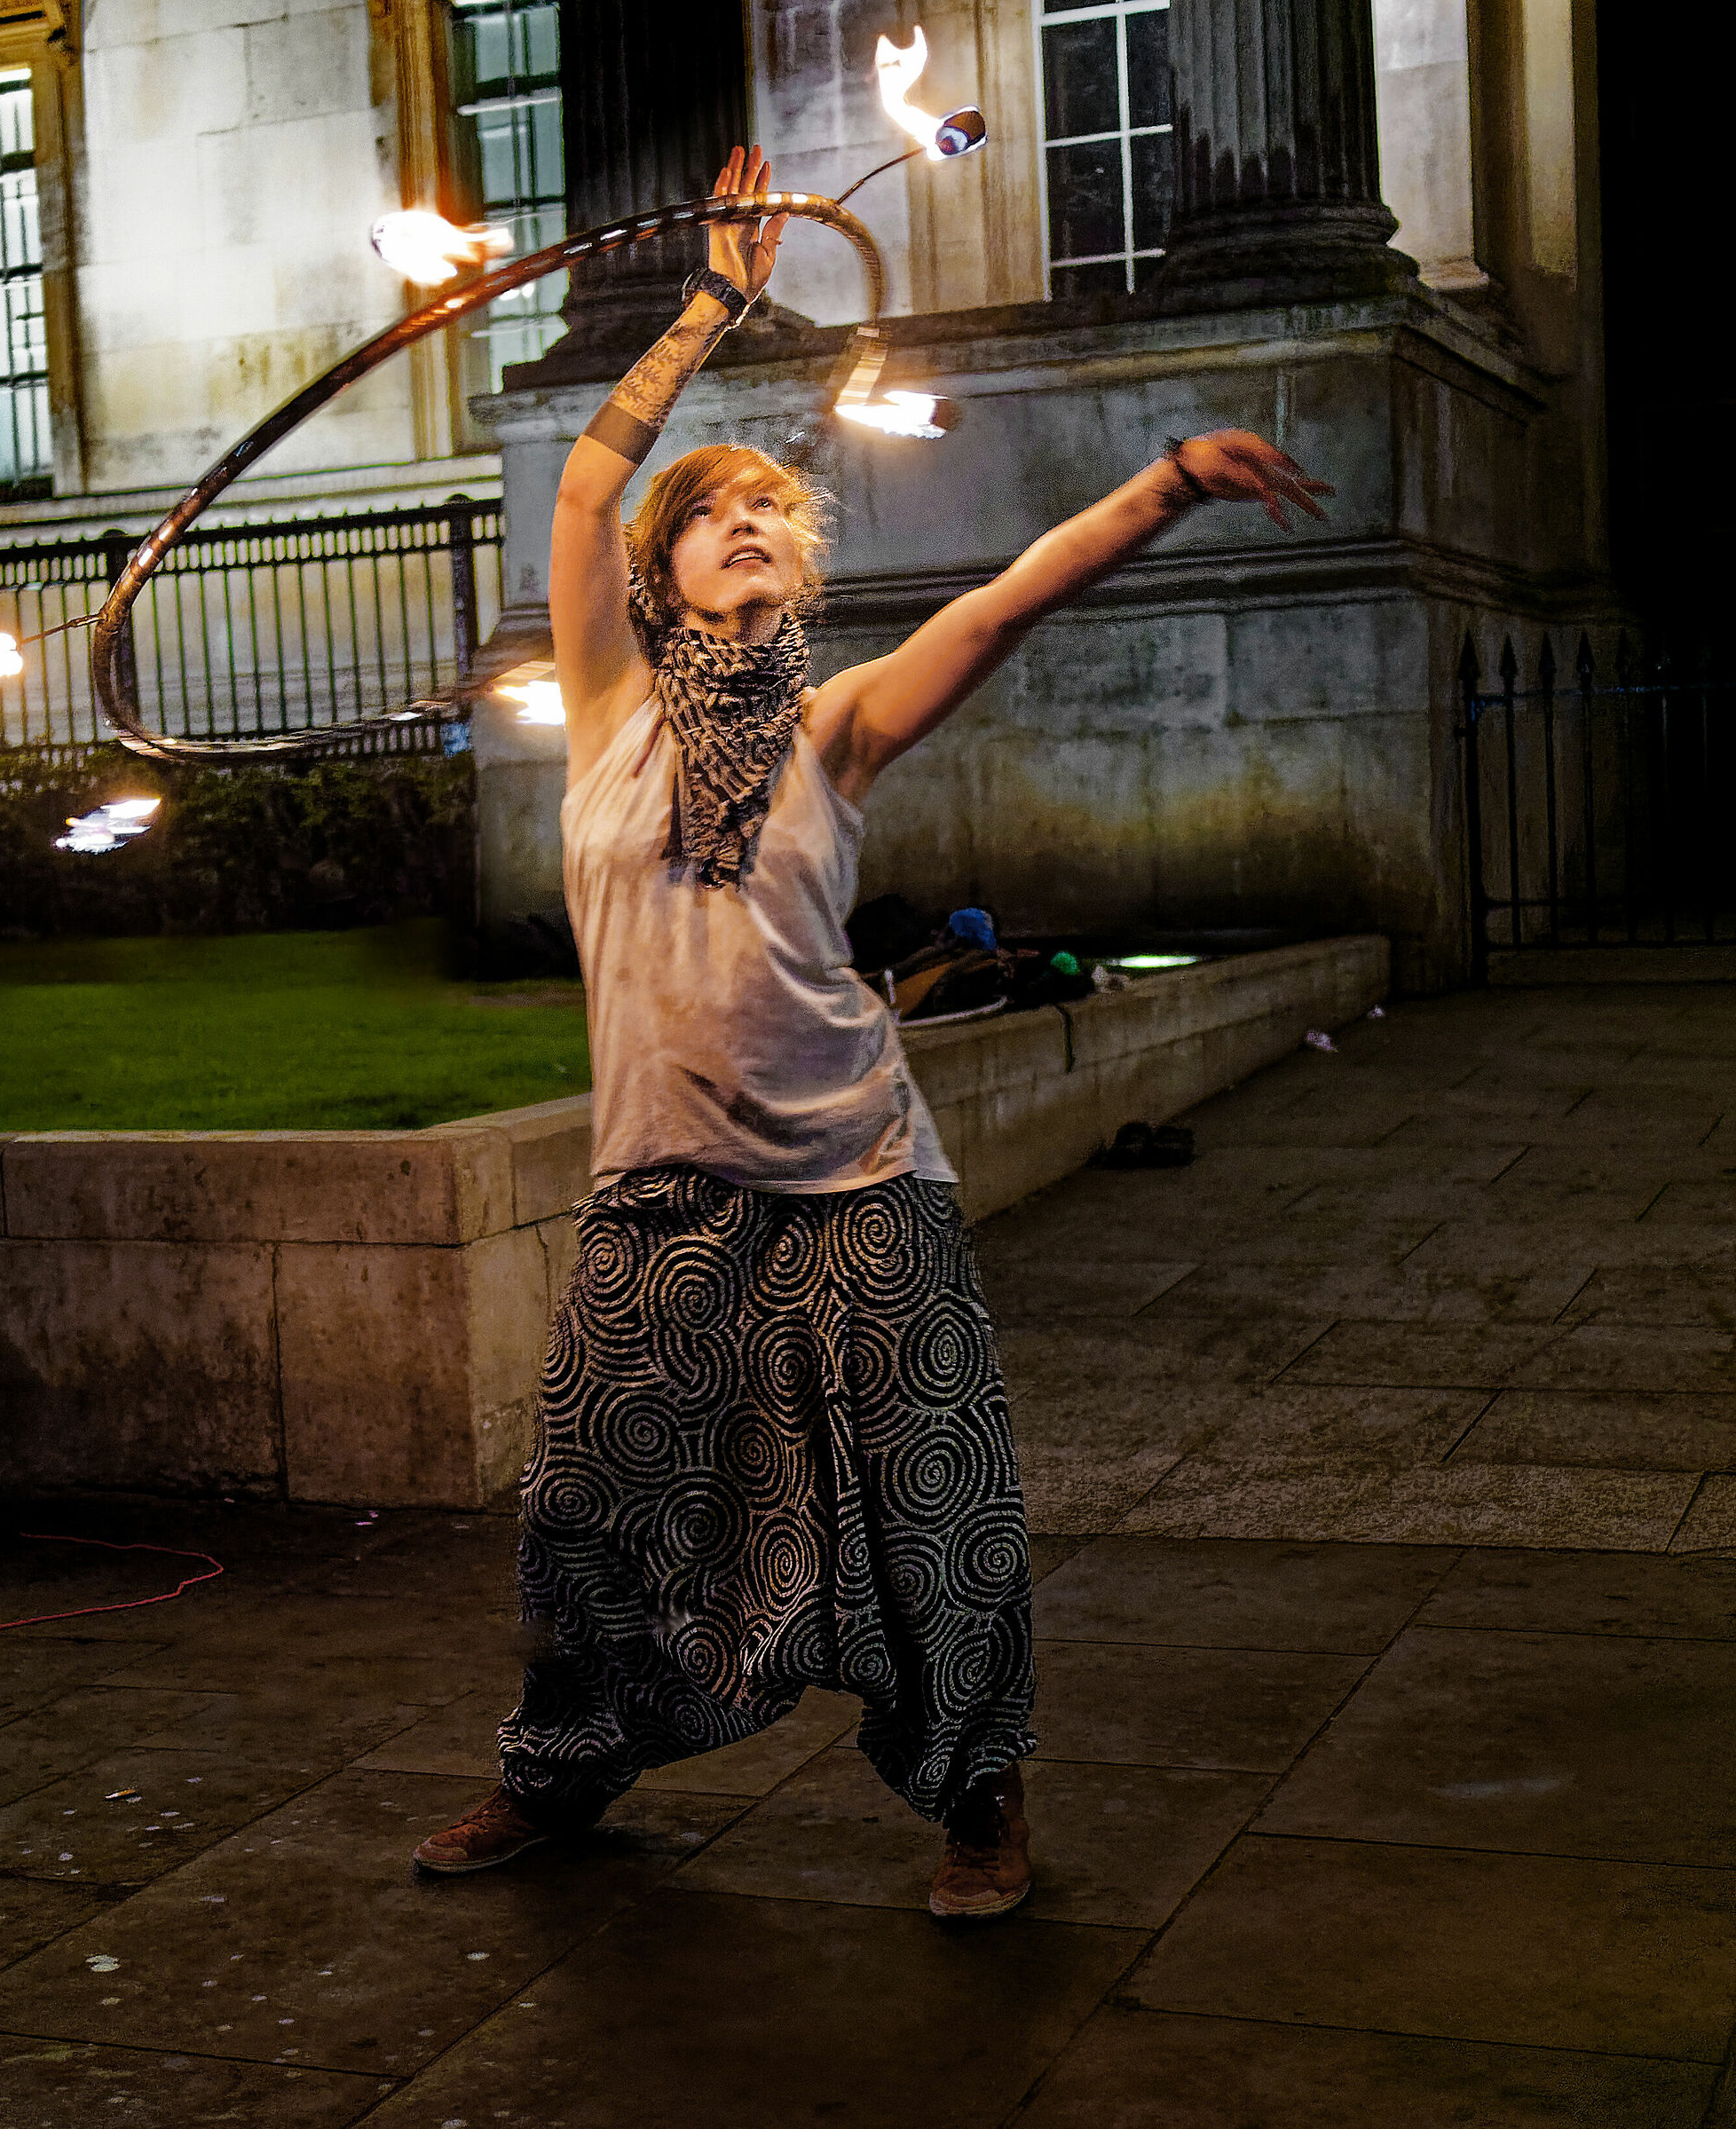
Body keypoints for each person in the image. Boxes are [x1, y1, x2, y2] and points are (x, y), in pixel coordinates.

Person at [413, 146, 1330, 1918]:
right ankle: (565, 1777)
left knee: (933, 1518)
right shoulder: (605, 709)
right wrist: (710, 303)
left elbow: (997, 606)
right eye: (718, 513)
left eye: (775, 511)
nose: (750, 522)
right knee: (592, 1512)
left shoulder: (833, 726)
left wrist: (1161, 489)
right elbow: (591, 482)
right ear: (668, 572)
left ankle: (980, 1798)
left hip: (859, 1185)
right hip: (658, 1192)